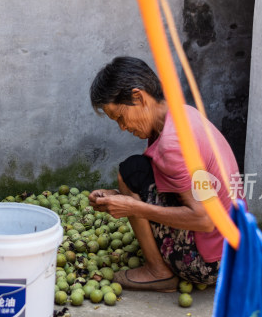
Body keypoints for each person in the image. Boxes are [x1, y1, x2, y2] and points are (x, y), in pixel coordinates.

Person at [88, 56, 243, 291]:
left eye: (120, 117)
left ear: (138, 97)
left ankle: (158, 272)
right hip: (235, 247)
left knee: (130, 172)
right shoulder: (180, 115)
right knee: (137, 173)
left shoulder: (173, 144)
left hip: (210, 264)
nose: (122, 127)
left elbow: (204, 218)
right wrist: (116, 196)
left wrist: (133, 207)